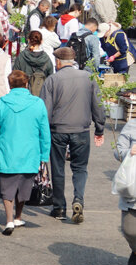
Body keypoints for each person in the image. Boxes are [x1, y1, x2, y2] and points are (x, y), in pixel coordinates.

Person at [40, 47, 106, 224]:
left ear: (59, 62)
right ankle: (78, 199)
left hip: (58, 130)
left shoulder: (52, 80)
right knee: (80, 168)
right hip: (81, 129)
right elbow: (98, 104)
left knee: (58, 168)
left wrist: (42, 134)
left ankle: (59, 207)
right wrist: (100, 128)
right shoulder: (88, 78)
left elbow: (45, 110)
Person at [0, 71, 51, 235]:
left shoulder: (1, 103)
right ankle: (18, 216)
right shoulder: (38, 103)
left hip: (7, 151)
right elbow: (45, 132)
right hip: (31, 152)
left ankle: (9, 220)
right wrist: (44, 155)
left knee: (7, 188)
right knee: (24, 188)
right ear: (26, 84)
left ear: (10, 85)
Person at [111, 119, 136, 265]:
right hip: (133, 186)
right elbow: (118, 151)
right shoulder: (133, 124)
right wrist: (130, 152)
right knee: (129, 230)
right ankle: (135, 250)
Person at [13, 30, 54, 96]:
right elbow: (50, 77)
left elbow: (15, 74)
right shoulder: (46, 58)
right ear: (41, 41)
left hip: (23, 93)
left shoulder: (22, 56)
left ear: (28, 40)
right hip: (40, 93)